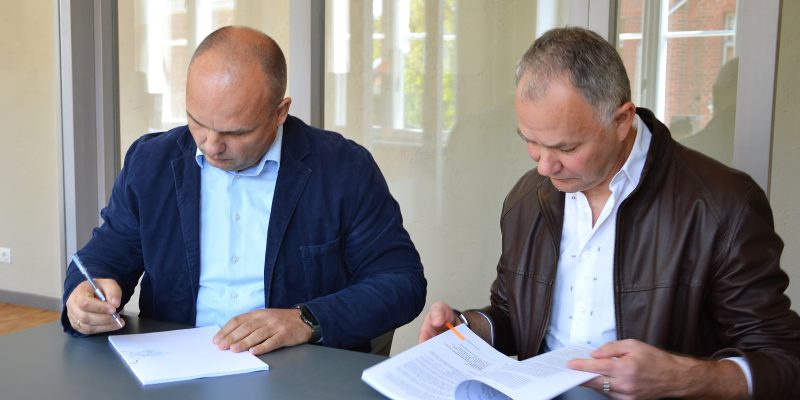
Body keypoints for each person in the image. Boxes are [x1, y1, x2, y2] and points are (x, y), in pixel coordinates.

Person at [419, 27, 800, 399]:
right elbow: (513, 315)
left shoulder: (722, 204)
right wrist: (465, 329)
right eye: (531, 142)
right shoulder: (528, 198)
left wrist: (680, 378)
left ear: (621, 120)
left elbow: (785, 362)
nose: (545, 167)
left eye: (566, 148)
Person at [63, 26, 426, 355]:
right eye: (197, 121)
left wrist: (305, 319)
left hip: (299, 372)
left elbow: (401, 281)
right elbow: (104, 257)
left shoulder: (343, 169)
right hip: (173, 368)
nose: (210, 145)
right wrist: (83, 296)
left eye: (235, 132)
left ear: (280, 112)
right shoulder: (150, 163)